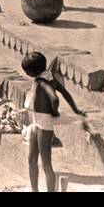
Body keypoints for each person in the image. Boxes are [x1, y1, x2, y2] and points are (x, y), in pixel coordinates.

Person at [21, 51, 84, 192]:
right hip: (37, 122)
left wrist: (54, 112)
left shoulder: (42, 82)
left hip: (44, 124)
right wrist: (76, 109)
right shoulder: (51, 78)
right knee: (31, 159)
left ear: (32, 72)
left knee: (46, 165)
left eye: (27, 71)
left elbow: (54, 98)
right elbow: (66, 93)